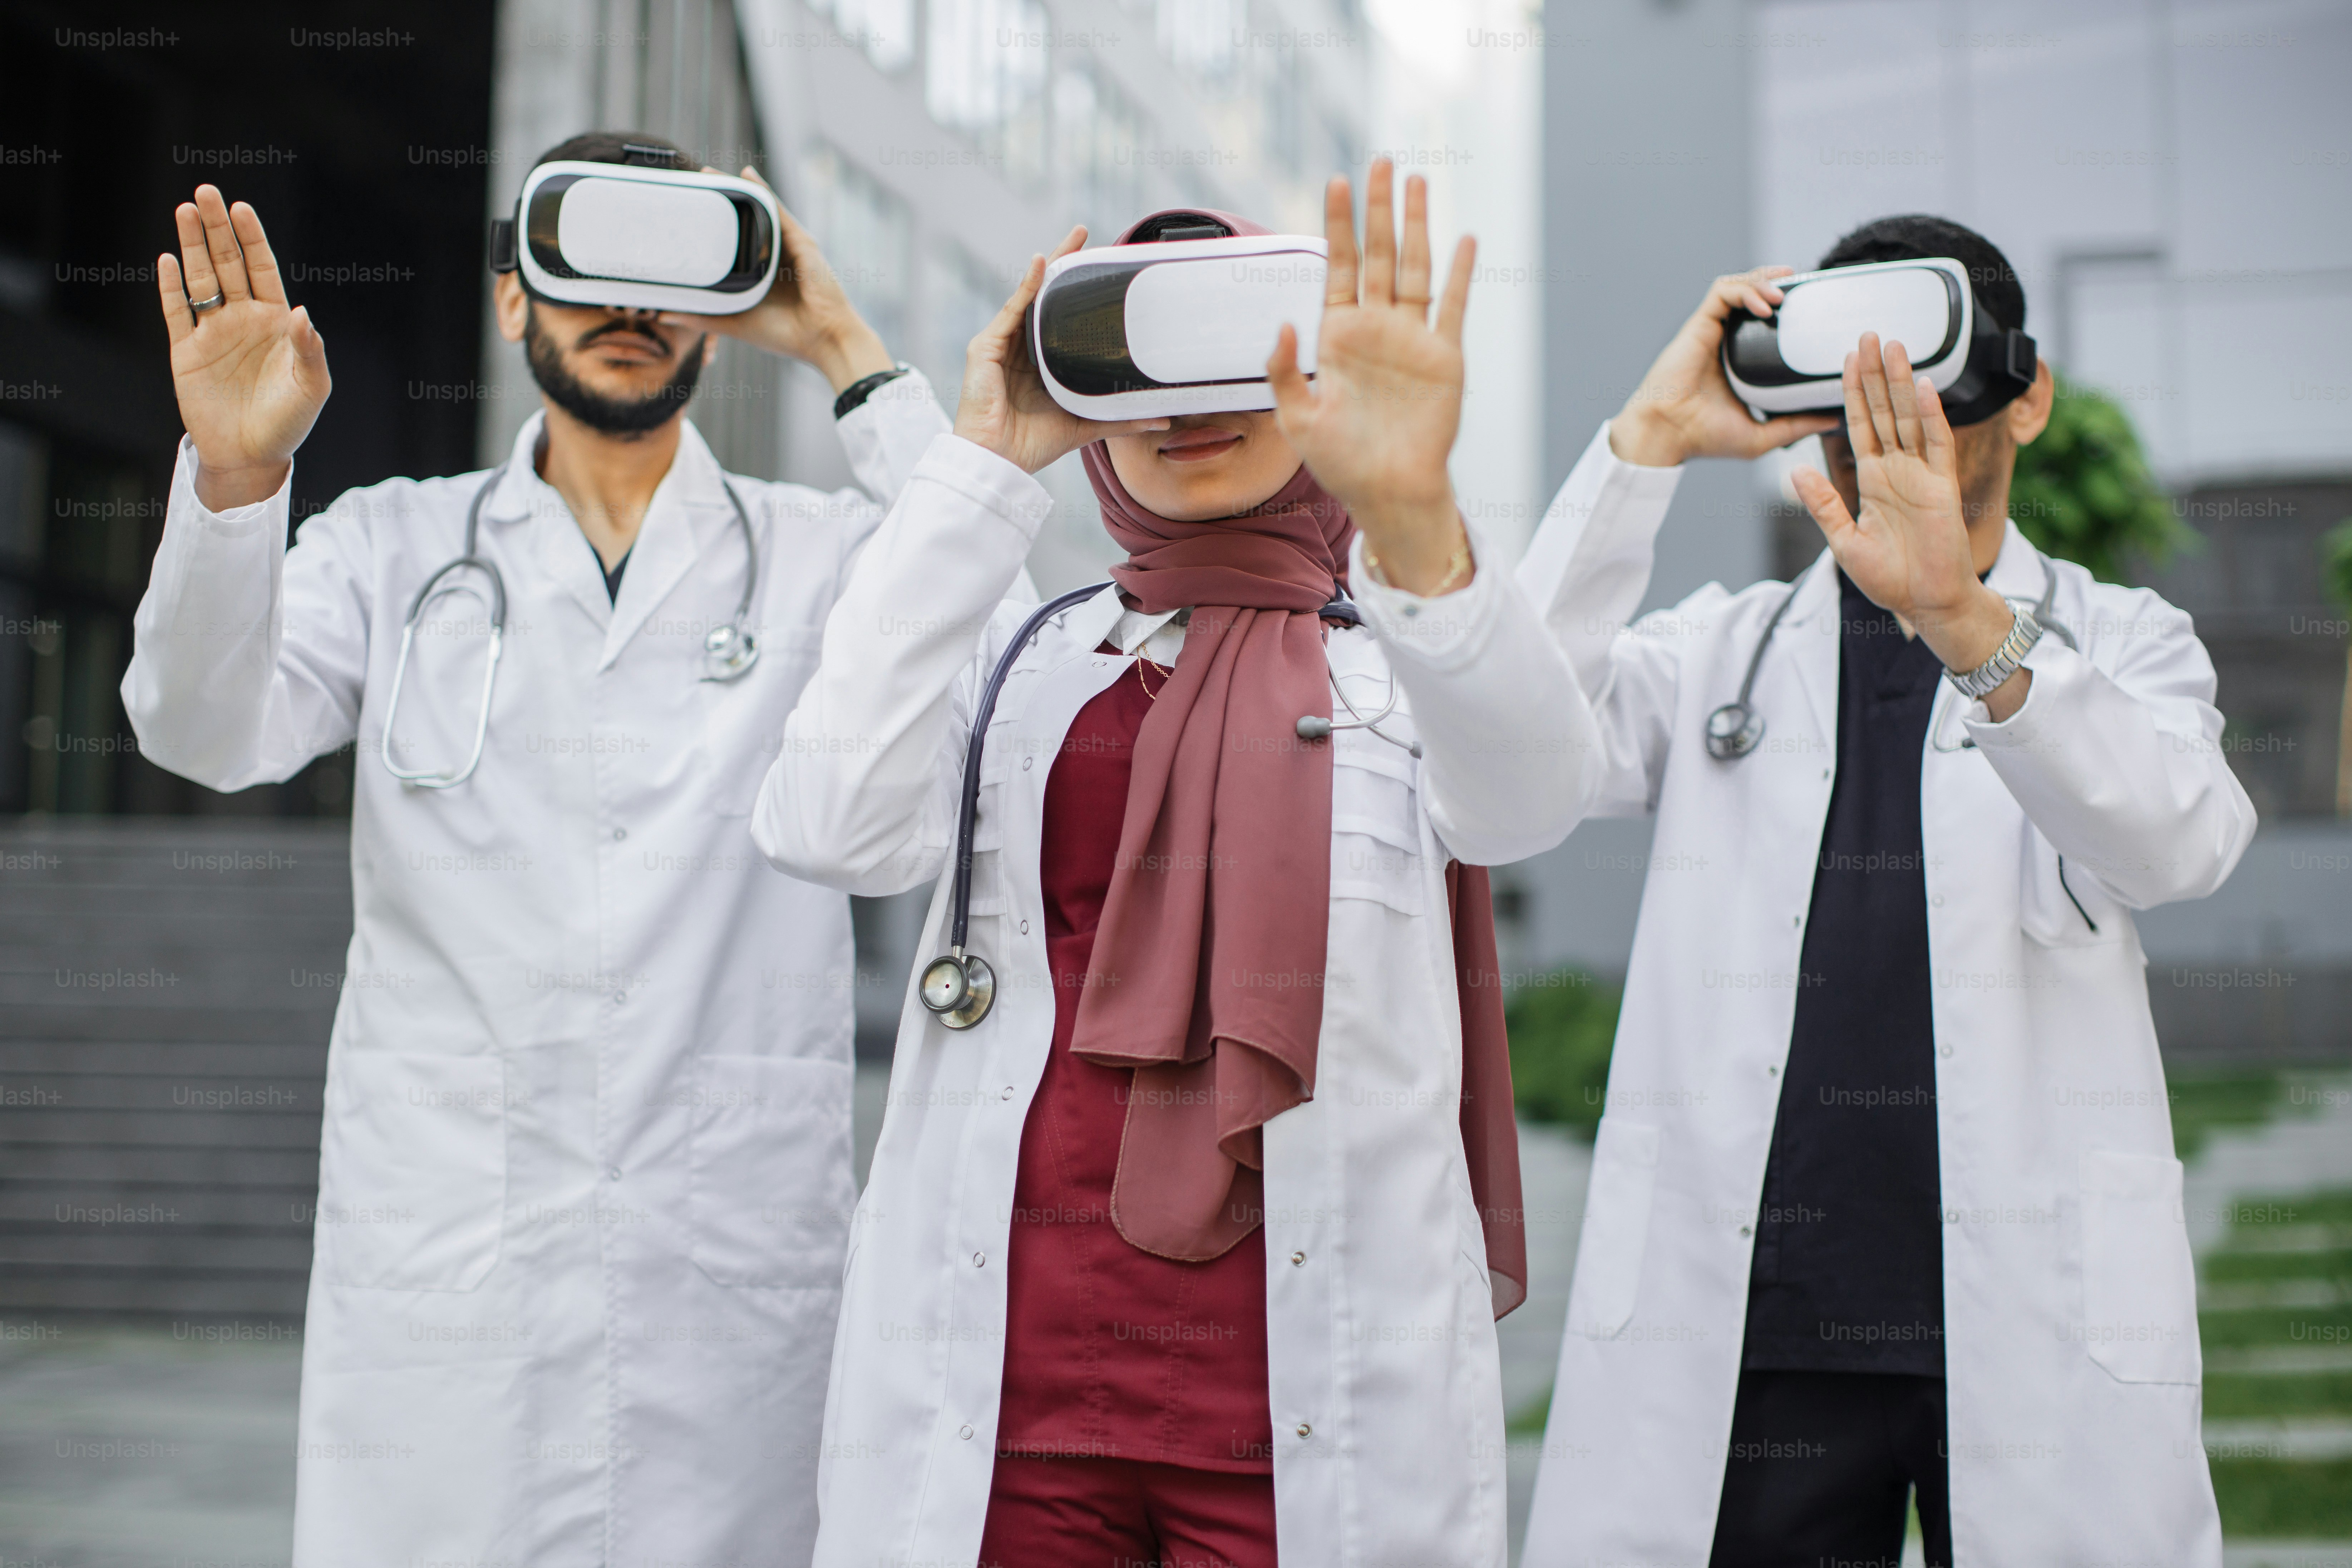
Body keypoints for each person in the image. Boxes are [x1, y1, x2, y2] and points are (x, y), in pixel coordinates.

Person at [120, 132, 951, 1568]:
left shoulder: (823, 557)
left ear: (721, 301)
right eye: (582, 269)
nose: (627, 311)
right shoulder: (395, 547)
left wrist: (845, 346)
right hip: (446, 1274)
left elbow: (996, 642)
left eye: (668, 274)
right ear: (512, 297)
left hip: (729, 1285)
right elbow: (201, 725)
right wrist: (236, 476)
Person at [754, 161, 1596, 1568]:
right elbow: (822, 820)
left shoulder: (1404, 659)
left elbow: (1527, 798)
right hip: (1010, 1394)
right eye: (1136, 361)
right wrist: (982, 460)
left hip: (1299, 1403)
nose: (1185, 406)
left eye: (1242, 353)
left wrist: (1412, 516)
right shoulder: (1027, 660)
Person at [1514, 215, 2254, 1568]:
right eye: (1845, 385)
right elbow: (1505, 759)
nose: (1879, 421)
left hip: (2035, 1322)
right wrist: (1644, 445)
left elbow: (2176, 841)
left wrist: (1965, 617)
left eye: (1924, 380)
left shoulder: (2122, 643)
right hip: (1758, 1336)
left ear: (2022, 394)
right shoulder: (1717, 655)